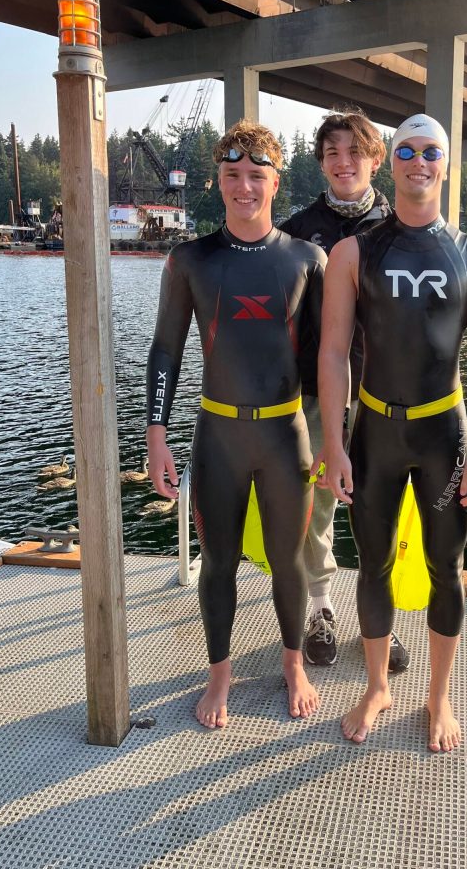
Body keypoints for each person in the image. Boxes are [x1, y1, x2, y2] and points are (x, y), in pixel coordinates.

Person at [318, 113, 467, 752]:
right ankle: (376, 686)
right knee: (371, 567)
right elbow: (333, 349)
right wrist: (332, 441)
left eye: (431, 151)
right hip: (374, 429)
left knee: (444, 569)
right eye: (406, 150)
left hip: (443, 437)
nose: (418, 161)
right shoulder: (354, 252)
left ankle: (439, 696)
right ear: (390, 160)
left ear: (446, 164)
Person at [146, 119, 325, 729]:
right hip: (217, 434)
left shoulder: (307, 258)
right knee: (218, 563)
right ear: (217, 182)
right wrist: (155, 437)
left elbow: (328, 357)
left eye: (256, 175)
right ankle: (219, 672)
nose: (243, 187)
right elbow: (165, 350)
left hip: (286, 435)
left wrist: (340, 439)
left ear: (276, 181)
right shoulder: (191, 259)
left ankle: (293, 662)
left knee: (288, 560)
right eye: (231, 176)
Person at [280, 109, 408, 673]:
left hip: (386, 390)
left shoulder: (405, 226)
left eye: (354, 151)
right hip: (314, 389)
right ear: (322, 162)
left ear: (375, 159)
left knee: (382, 507)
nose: (343, 162)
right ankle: (321, 608)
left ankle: (380, 622)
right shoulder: (297, 229)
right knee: (319, 505)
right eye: (332, 152)